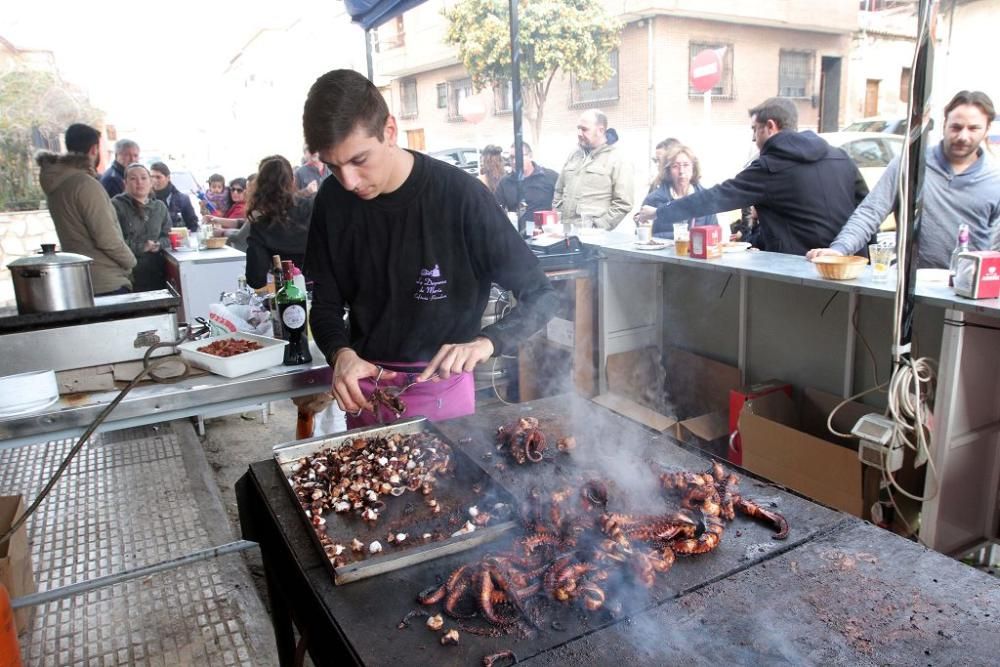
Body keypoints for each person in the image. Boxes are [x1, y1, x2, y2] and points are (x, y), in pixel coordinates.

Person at [302, 69, 558, 427]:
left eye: (359, 160)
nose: (349, 181)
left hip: (442, 390)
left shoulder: (460, 196)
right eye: (333, 166)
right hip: (365, 388)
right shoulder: (332, 201)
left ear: (389, 131)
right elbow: (325, 304)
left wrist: (487, 342)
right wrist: (339, 352)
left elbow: (542, 294)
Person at [635, 98, 869, 255]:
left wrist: (659, 212)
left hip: (798, 271)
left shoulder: (769, 168)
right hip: (847, 268)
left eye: (754, 130)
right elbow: (867, 211)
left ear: (770, 126)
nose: (753, 138)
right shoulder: (840, 157)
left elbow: (715, 197)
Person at [808, 90, 1000, 269]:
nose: (963, 136)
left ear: (987, 128)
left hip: (968, 294)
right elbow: (871, 212)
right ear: (944, 124)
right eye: (956, 127)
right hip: (910, 291)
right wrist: (839, 250)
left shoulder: (995, 179)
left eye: (973, 128)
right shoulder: (910, 164)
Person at [36, 123, 136, 295]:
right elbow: (107, 239)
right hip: (106, 282)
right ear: (94, 149)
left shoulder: (58, 185)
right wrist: (131, 261)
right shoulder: (85, 185)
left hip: (79, 280)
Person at [553, 109, 635, 230]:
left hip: (594, 238)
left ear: (600, 130)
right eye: (578, 128)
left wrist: (598, 227)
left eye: (584, 129)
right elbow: (558, 190)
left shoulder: (618, 159)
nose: (579, 133)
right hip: (565, 232)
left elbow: (624, 203)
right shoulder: (574, 155)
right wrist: (557, 215)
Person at [245, 156, 313, 289]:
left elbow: (256, 279)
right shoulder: (312, 208)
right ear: (293, 180)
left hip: (285, 294)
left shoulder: (260, 224)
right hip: (322, 292)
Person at [111, 164, 171, 292]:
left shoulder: (159, 207)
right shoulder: (116, 206)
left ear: (150, 182)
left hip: (156, 273)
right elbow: (112, 241)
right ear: (125, 183)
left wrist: (159, 244)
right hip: (128, 274)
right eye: (133, 179)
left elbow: (169, 236)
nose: (139, 182)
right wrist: (142, 246)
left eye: (144, 178)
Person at [638, 144, 718, 238]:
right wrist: (682, 237)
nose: (681, 171)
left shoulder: (705, 199)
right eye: (675, 166)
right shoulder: (654, 199)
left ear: (693, 168)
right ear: (668, 171)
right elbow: (643, 236)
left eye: (686, 165)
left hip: (697, 252)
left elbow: (714, 235)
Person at [494, 141, 558, 224]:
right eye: (511, 157)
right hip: (517, 233)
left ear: (530, 156)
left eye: (519, 157)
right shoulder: (505, 182)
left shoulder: (550, 177)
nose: (514, 161)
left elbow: (564, 199)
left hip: (545, 233)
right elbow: (496, 210)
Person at [149, 162, 199, 232]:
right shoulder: (146, 199)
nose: (154, 180)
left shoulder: (183, 199)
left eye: (158, 177)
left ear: (168, 178)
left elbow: (193, 226)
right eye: (151, 177)